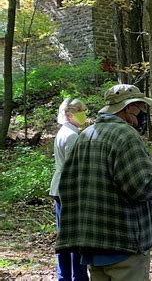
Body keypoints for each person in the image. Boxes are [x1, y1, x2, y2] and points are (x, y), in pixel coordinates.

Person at [55, 84, 152, 281]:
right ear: (128, 108)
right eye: (141, 109)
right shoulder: (126, 137)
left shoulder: (85, 136)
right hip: (124, 245)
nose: (143, 114)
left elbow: (67, 186)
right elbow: (142, 187)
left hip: (93, 244)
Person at [50, 98, 89, 281]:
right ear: (68, 114)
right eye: (80, 111)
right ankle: (77, 277)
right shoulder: (72, 135)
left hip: (60, 188)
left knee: (64, 236)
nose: (84, 114)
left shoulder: (64, 132)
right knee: (74, 237)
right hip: (69, 189)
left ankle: (64, 276)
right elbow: (76, 166)